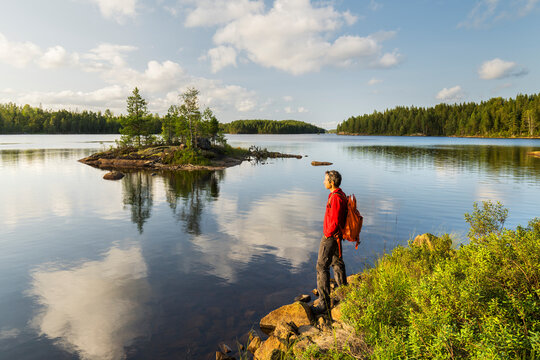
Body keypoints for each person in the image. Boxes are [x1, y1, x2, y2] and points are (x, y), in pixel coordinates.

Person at [314, 170, 348, 314]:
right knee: (337, 263)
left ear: (332, 182)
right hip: (337, 236)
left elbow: (334, 221)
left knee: (321, 266)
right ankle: (343, 296)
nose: (324, 181)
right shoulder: (339, 194)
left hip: (331, 236)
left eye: (325, 179)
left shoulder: (335, 198)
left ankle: (324, 304)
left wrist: (327, 234)